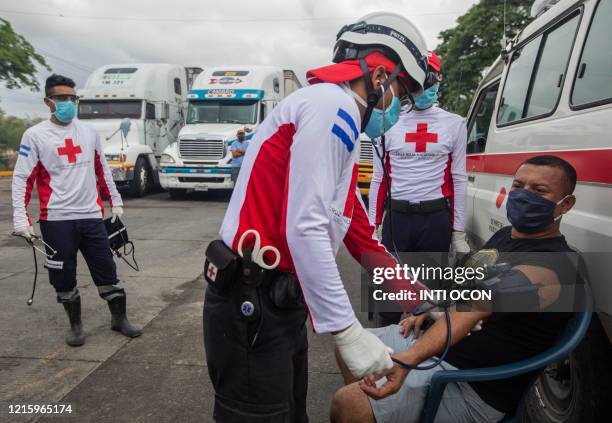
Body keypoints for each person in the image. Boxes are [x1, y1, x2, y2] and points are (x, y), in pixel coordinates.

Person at [203, 12, 431, 422]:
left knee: (289, 413)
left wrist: (417, 296)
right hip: (252, 297)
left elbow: (360, 235)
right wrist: (347, 331)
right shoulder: (334, 106)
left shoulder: (334, 115)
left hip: (275, 298)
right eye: (402, 89)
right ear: (379, 77)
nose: (400, 104)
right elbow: (305, 225)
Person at [331, 155, 580, 423]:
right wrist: (428, 308)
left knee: (349, 403)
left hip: (470, 382)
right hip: (438, 347)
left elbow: (474, 306)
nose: (524, 196)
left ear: (565, 204)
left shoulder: (555, 266)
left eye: (539, 191)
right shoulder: (505, 236)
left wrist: (407, 360)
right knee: (351, 349)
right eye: (519, 186)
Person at [11, 74, 142, 347]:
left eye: (73, 98)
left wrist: (114, 201)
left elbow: (101, 169)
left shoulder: (89, 132)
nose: (69, 103)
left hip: (91, 217)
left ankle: (119, 319)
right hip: (56, 220)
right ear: (48, 102)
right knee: (63, 275)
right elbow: (23, 178)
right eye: (62, 99)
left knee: (107, 269)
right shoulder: (34, 135)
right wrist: (20, 217)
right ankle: (75, 326)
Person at [368, 51, 469, 326]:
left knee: (431, 297)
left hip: (435, 218)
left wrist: (458, 233)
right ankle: (388, 355)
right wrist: (372, 225)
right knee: (389, 296)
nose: (425, 87)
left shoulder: (455, 124)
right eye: (419, 80)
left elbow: (459, 179)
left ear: (439, 80)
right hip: (397, 218)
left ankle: (425, 356)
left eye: (431, 79)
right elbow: (377, 179)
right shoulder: (387, 122)